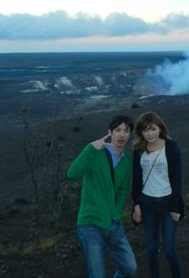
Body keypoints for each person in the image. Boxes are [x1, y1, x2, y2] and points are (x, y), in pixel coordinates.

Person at [67, 115, 137, 278]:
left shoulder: (127, 161)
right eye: (118, 130)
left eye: (126, 131)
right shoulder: (95, 153)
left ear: (130, 134)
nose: (121, 135)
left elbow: (121, 191)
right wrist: (89, 148)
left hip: (112, 224)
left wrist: (116, 214)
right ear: (110, 132)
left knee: (130, 269)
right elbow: (71, 174)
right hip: (90, 223)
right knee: (97, 275)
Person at [132, 112, 183, 278]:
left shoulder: (171, 146)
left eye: (153, 129)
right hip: (147, 204)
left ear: (160, 128)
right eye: (145, 130)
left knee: (169, 251)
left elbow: (177, 179)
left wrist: (176, 208)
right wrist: (136, 205)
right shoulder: (138, 150)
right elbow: (136, 180)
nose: (150, 133)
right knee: (151, 250)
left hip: (168, 203)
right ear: (141, 132)